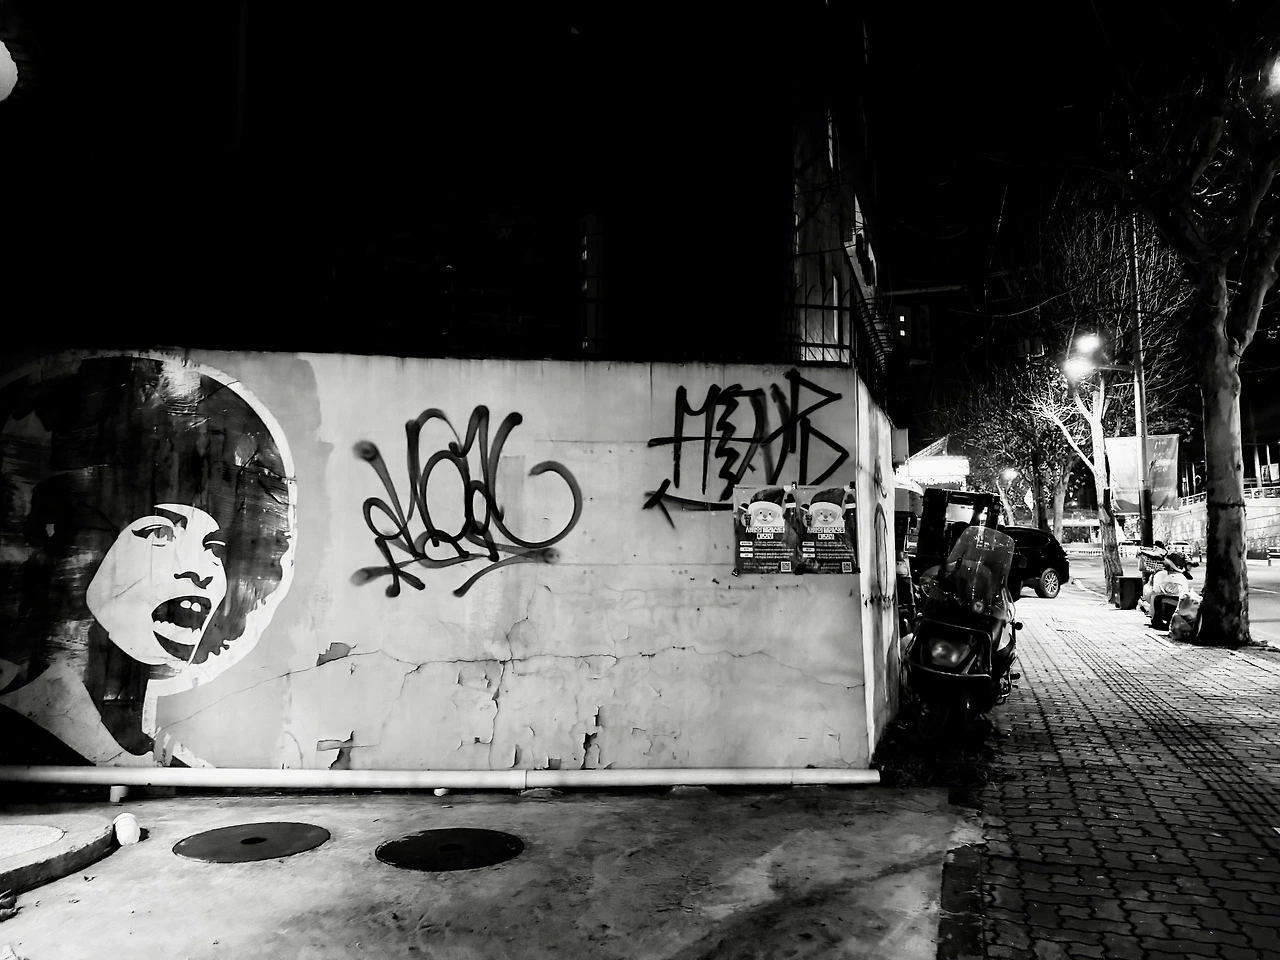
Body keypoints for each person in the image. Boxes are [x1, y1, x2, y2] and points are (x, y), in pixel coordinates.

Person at [0, 355, 294, 765]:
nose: (200, 570)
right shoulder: (20, 740)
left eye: (214, 548)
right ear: (67, 538)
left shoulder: (160, 763)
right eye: (161, 533)